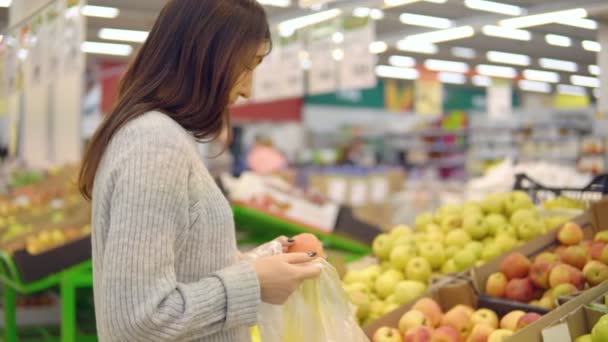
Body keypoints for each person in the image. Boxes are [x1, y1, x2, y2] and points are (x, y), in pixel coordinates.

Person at [77, 1, 321, 341]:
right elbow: (138, 319)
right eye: (246, 67)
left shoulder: (164, 138)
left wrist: (259, 262)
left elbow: (186, 268)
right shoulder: (154, 145)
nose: (248, 90)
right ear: (207, 58)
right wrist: (254, 283)